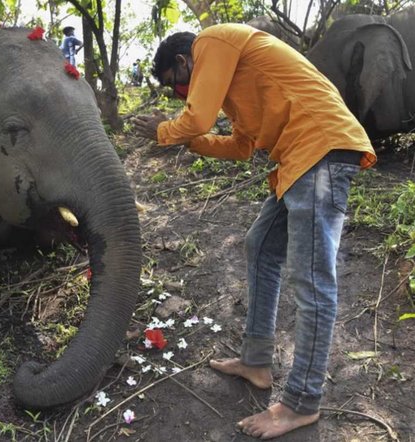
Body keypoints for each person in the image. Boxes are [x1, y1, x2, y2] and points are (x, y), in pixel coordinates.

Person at [133, 24, 376, 439]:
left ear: (184, 61)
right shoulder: (235, 84)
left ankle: (301, 403)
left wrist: (166, 131)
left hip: (320, 148)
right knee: (261, 246)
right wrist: (187, 141)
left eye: (177, 85)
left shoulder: (212, 41)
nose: (180, 94)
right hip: (299, 160)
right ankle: (256, 361)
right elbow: (241, 146)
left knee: (312, 279)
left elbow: (197, 118)